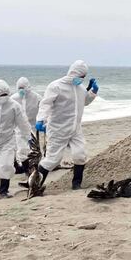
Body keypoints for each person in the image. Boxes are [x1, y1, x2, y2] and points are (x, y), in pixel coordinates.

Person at [34, 60, 99, 191]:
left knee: (80, 155)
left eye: (84, 77)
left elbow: (84, 102)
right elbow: (46, 103)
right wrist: (41, 119)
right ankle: (35, 185)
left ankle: (76, 184)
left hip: (75, 129)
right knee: (52, 160)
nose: (82, 79)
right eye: (82, 77)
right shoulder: (56, 86)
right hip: (58, 129)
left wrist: (92, 92)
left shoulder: (80, 88)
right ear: (74, 73)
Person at [10, 77, 42, 174]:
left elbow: (45, 108)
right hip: (18, 128)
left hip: (32, 127)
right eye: (19, 88)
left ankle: (34, 167)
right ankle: (26, 170)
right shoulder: (13, 98)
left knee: (34, 149)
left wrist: (43, 121)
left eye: (23, 88)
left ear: (28, 87)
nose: (21, 90)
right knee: (21, 149)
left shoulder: (36, 97)